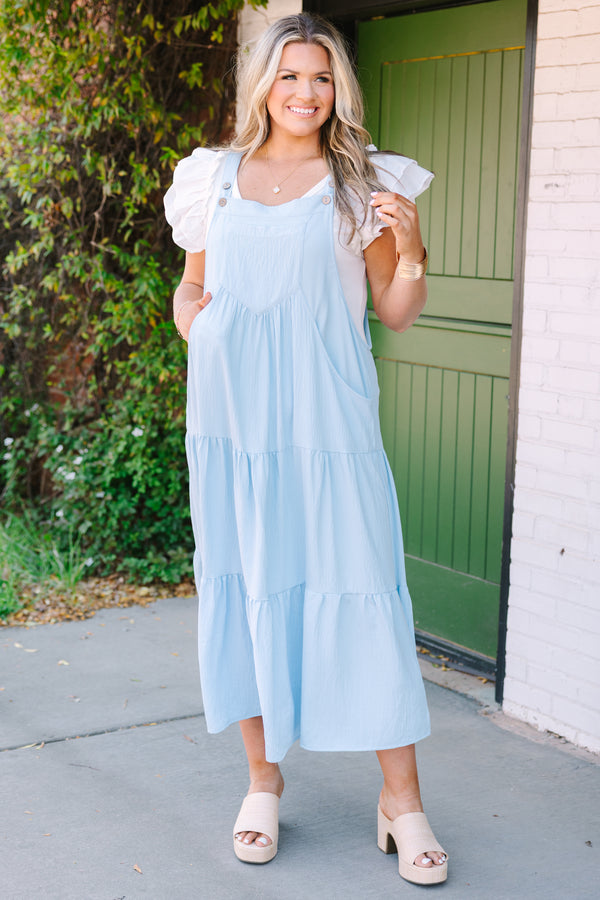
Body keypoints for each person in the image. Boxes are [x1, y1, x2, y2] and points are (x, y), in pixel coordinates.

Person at [164, 13, 447, 886]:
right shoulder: (211, 178)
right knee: (248, 581)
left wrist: (412, 248)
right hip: (234, 424)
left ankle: (401, 802)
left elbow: (394, 312)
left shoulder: (363, 181)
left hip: (331, 425)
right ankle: (261, 782)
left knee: (361, 590)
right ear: (263, 85)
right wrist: (194, 326)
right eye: (289, 76)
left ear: (338, 91)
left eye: (320, 78)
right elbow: (192, 283)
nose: (304, 93)